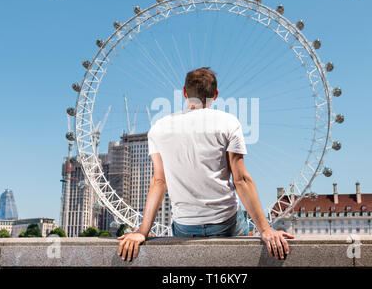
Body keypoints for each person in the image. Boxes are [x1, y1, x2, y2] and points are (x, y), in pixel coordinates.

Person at [118, 67, 294, 262]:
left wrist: (142, 232)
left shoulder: (158, 128)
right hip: (225, 223)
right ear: (215, 95)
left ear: (184, 93)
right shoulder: (228, 123)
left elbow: (159, 181)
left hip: (185, 226)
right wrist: (266, 229)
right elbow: (241, 180)